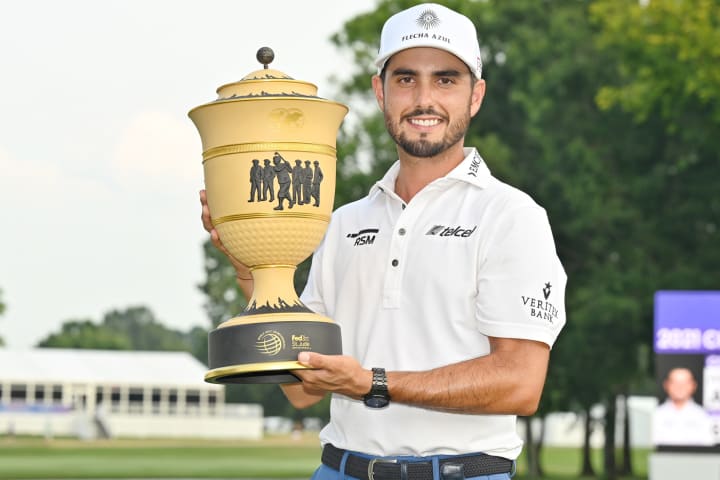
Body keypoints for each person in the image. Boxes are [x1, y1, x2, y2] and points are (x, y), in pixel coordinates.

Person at [200, 3, 566, 480]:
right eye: (406, 78)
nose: (424, 99)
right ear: (380, 91)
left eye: (446, 80)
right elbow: (303, 388)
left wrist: (372, 383)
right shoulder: (341, 222)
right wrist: (250, 264)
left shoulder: (511, 216)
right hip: (340, 470)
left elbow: (520, 384)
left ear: (476, 96)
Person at [652, 367, 715, 446]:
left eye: (684, 383)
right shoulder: (656, 415)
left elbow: (708, 445)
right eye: (675, 383)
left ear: (693, 386)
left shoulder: (703, 415)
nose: (680, 387)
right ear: (666, 385)